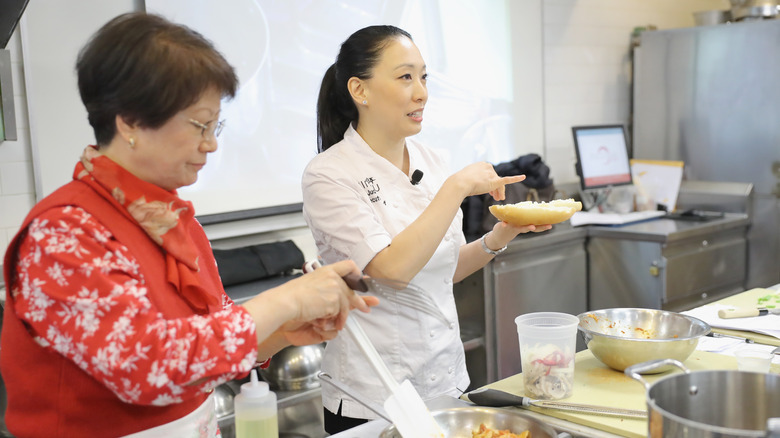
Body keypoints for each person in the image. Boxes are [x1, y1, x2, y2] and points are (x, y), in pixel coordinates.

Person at [0, 12, 377, 438]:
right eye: (199, 125)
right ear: (129, 122)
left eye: (216, 125)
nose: (211, 143)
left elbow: (205, 346)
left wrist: (282, 333)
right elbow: (148, 366)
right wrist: (286, 302)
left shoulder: (170, 219)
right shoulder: (64, 233)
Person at [302, 25, 553, 433]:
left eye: (424, 77)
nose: (421, 92)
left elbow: (440, 271)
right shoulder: (329, 174)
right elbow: (392, 269)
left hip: (446, 384)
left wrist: (501, 235)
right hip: (373, 400)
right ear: (359, 90)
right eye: (405, 77)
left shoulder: (431, 159)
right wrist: (456, 188)